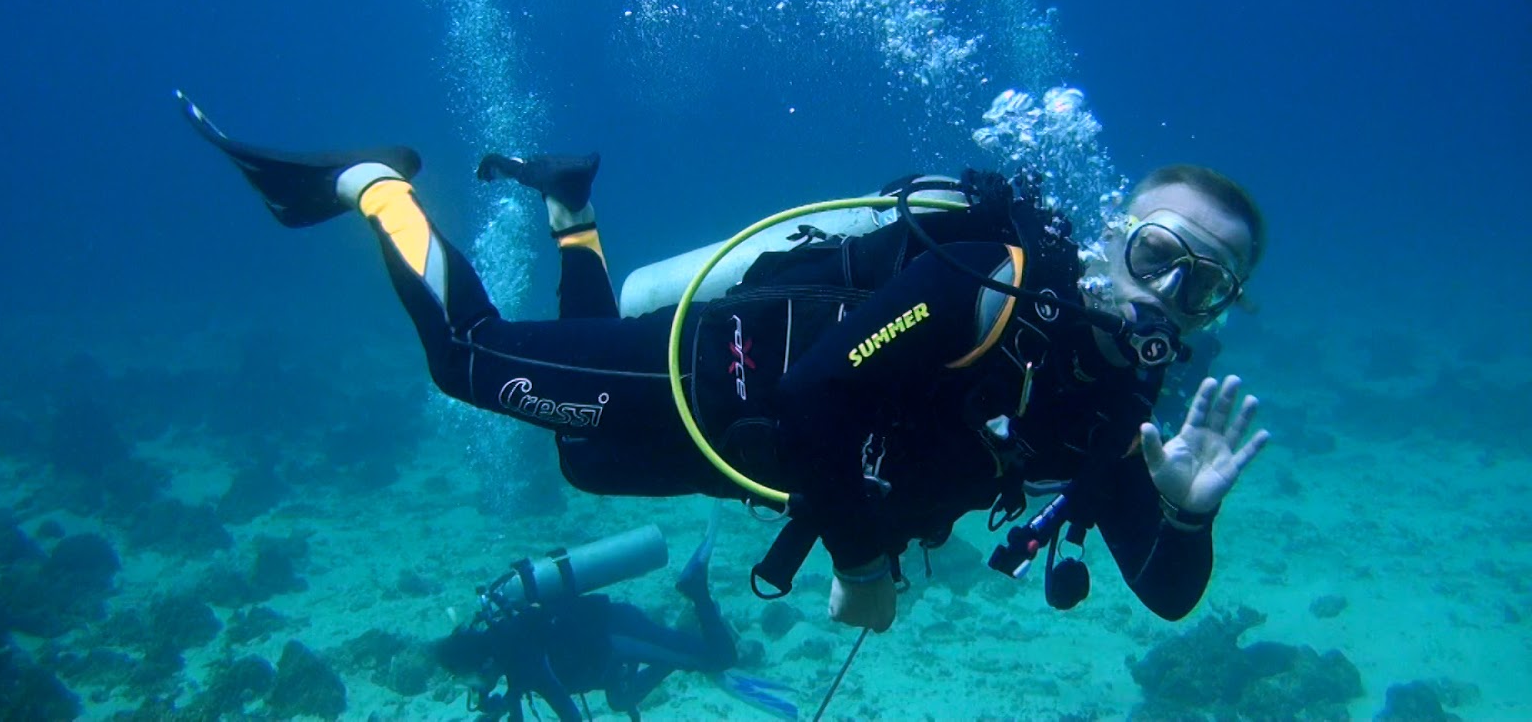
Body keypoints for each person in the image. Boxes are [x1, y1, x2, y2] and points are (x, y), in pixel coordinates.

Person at [177, 90, 1269, 634]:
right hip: (721, 376)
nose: (1166, 294)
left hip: (759, 455)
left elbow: (1167, 595)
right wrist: (862, 565)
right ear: (1113, 230)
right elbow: (815, 391)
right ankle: (374, 183)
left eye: (1205, 283)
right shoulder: (991, 277)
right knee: (468, 360)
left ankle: (570, 207)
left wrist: (1185, 512)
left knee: (585, 466)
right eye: (1156, 254)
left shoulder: (1117, 407)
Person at [434, 514, 794, 721]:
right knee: (621, 701)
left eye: (467, 679)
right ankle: (682, 641)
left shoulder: (518, 657)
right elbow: (515, 701)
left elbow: (567, 710)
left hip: (618, 633)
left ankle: (697, 589)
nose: (472, 689)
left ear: (479, 662)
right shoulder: (507, 652)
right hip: (607, 651)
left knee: (720, 659)